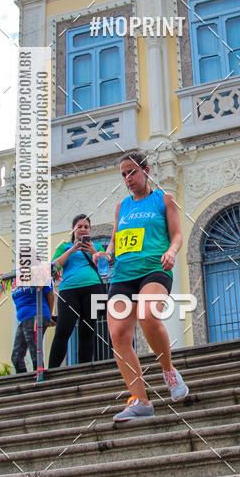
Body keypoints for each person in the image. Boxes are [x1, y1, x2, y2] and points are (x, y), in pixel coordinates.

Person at [102, 150, 188, 422]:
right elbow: (116, 242)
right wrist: (106, 253)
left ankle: (169, 372)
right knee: (117, 335)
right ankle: (140, 400)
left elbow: (176, 235)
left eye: (132, 172)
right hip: (123, 275)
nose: (128, 178)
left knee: (148, 315)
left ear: (146, 170)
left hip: (154, 268)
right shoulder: (121, 207)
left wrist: (172, 252)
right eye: (124, 174)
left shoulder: (164, 200)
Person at [48, 215, 106, 368]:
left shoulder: (97, 246)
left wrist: (93, 251)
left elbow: (104, 267)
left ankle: (84, 369)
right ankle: (52, 369)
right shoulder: (64, 247)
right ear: (73, 229)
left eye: (86, 227)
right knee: (62, 330)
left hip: (93, 288)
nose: (83, 229)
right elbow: (54, 266)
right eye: (79, 226)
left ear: (90, 230)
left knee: (87, 331)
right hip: (69, 290)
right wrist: (72, 250)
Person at [11, 282, 54, 373]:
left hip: (36, 315)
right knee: (16, 357)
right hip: (23, 319)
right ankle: (25, 382)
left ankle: (39, 378)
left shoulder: (38, 273)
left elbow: (50, 294)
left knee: (34, 351)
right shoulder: (14, 280)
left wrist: (49, 315)